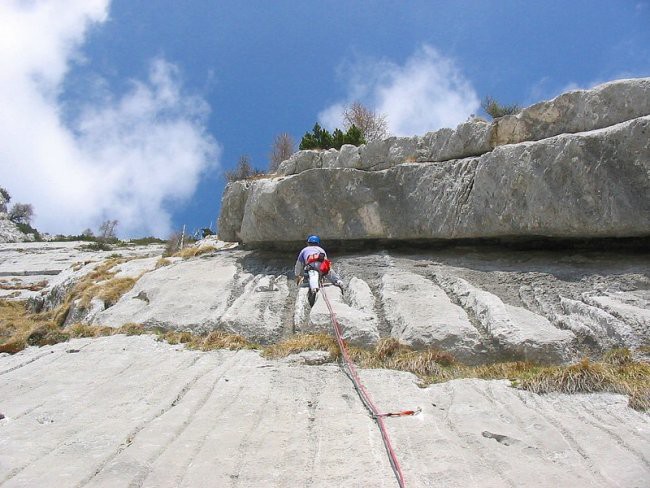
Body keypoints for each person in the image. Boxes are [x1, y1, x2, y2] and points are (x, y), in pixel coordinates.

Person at [294, 234, 344, 306]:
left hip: (311, 266)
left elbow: (299, 264)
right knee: (328, 272)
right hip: (321, 266)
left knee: (311, 274)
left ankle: (314, 289)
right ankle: (338, 281)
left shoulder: (304, 250)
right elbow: (326, 263)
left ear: (308, 243)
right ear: (318, 243)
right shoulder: (321, 250)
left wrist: (297, 274)